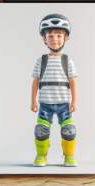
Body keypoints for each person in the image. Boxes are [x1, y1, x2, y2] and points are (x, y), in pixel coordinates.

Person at [31, 14, 78, 167]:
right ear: (44, 39)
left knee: (69, 131)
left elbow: (72, 82)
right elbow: (35, 82)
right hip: (45, 104)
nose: (55, 39)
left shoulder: (67, 60)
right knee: (41, 131)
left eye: (59, 35)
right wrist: (33, 101)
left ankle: (69, 156)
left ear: (66, 38)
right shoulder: (41, 60)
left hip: (64, 103)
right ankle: (41, 155)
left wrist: (74, 101)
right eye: (50, 36)